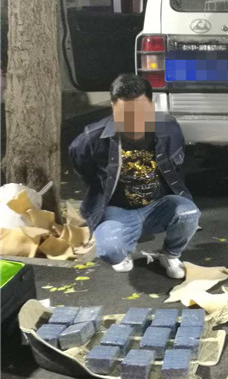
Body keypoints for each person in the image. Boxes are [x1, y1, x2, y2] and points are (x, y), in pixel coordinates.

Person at [69, 74, 200, 279]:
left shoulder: (169, 128)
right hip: (117, 211)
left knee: (188, 213)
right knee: (109, 250)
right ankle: (121, 250)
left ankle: (170, 255)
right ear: (112, 107)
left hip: (157, 206)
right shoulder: (91, 138)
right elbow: (83, 169)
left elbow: (177, 164)